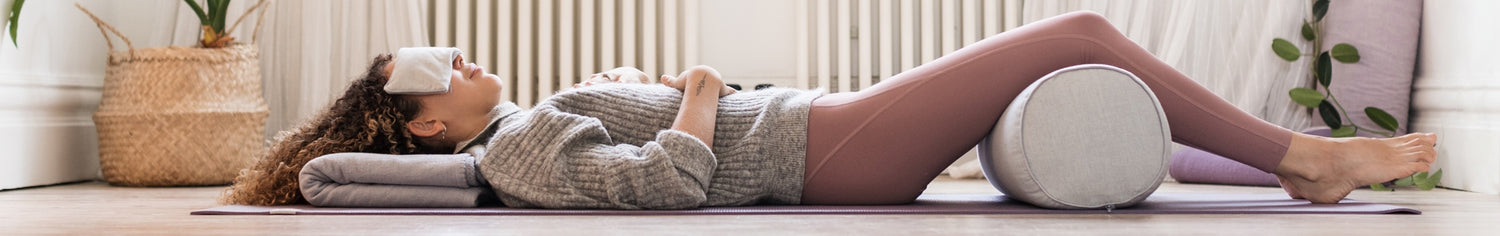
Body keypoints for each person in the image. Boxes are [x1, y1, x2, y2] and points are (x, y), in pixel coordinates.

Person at [220, 11, 1437, 209]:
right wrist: (694, 89)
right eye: (437, 71)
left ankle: (1285, 158)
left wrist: (680, 93)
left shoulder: (522, 124)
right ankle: (1305, 158)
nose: (465, 59)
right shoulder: (522, 141)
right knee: (1075, 36)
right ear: (427, 124)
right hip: (821, 142)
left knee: (1071, 58)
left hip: (822, 123)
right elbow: (664, 189)